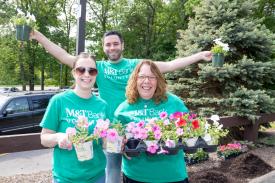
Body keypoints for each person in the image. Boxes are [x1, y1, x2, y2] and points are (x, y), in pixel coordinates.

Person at [31, 30, 210, 183]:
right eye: (107, 44)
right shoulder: (96, 68)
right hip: (110, 132)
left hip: (135, 131)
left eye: (115, 43)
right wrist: (38, 36)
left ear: (122, 45)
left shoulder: (137, 66)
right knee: (111, 175)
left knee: (137, 167)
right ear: (103, 47)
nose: (112, 47)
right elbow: (64, 56)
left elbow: (170, 65)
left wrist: (200, 56)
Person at [114, 60, 189, 183]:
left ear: (158, 80)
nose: (146, 81)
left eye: (151, 77)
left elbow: (189, 129)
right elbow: (114, 140)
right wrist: (119, 145)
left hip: (172, 176)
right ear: (135, 80)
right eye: (142, 76)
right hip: (136, 176)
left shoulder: (174, 102)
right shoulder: (124, 108)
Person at [40, 52, 108, 183]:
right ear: (74, 73)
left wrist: (114, 140)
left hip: (97, 176)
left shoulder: (102, 105)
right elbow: (44, 138)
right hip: (66, 178)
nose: (86, 74)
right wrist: (59, 137)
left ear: (96, 75)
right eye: (81, 70)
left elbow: (105, 142)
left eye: (92, 71)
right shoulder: (59, 101)